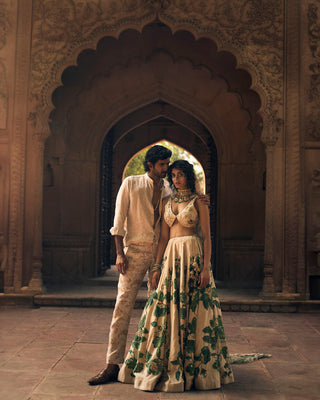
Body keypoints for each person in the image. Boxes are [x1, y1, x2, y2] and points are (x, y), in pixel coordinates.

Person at [117, 160, 234, 392]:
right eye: (173, 175)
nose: (176, 179)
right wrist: (157, 266)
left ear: (189, 176)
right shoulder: (167, 201)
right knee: (164, 307)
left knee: (194, 309)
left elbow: (207, 237)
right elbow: (162, 238)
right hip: (171, 257)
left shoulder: (200, 201)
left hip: (193, 256)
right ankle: (167, 360)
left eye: (180, 175)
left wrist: (205, 268)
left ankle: (195, 368)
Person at [88, 145, 172, 385]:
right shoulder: (131, 183)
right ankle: (112, 364)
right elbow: (118, 220)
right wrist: (119, 254)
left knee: (158, 309)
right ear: (150, 164)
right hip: (133, 252)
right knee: (122, 306)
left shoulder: (167, 188)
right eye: (162, 165)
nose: (165, 169)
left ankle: (153, 363)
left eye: (167, 164)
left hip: (160, 255)